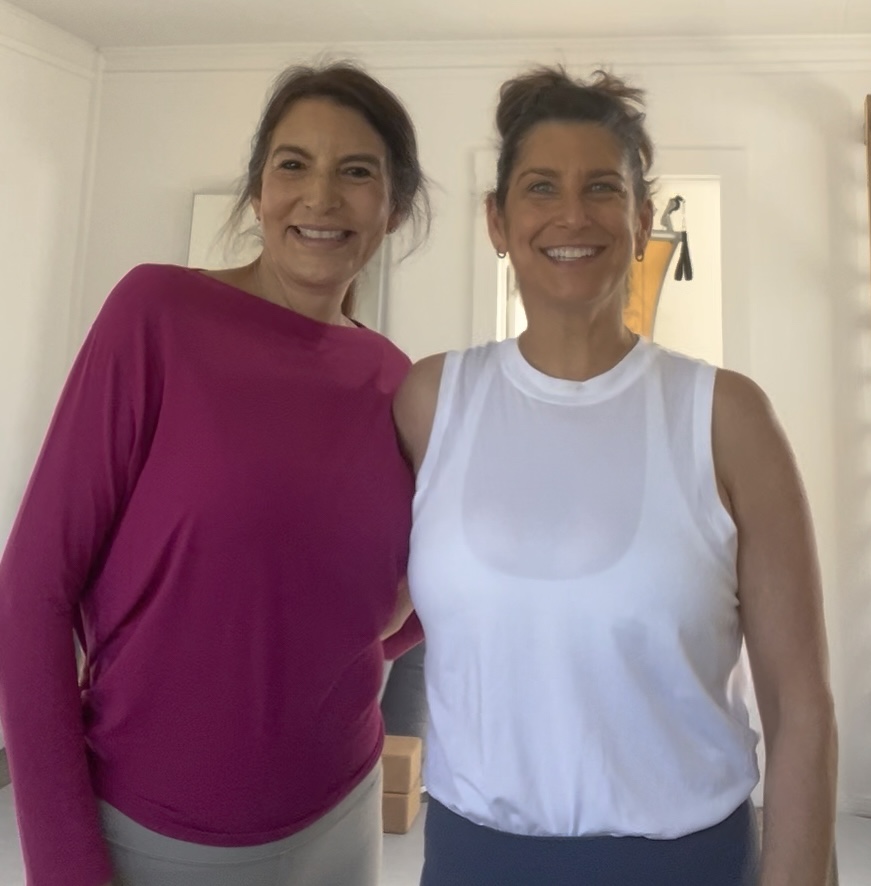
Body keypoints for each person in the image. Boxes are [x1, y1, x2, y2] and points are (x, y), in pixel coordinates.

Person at [393, 66, 837, 886]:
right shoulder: (431, 401)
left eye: (601, 187)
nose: (571, 214)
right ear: (497, 221)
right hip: (471, 858)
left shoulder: (725, 417)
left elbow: (797, 701)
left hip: (686, 862)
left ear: (640, 219)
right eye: (540, 187)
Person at [0, 61, 427, 886]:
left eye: (356, 172)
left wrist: (377, 638)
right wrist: (64, 866)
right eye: (293, 164)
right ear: (258, 191)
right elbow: (31, 591)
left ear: (394, 209)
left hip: (343, 815)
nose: (320, 197)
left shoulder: (392, 377)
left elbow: (406, 586)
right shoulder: (155, 316)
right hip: (159, 831)